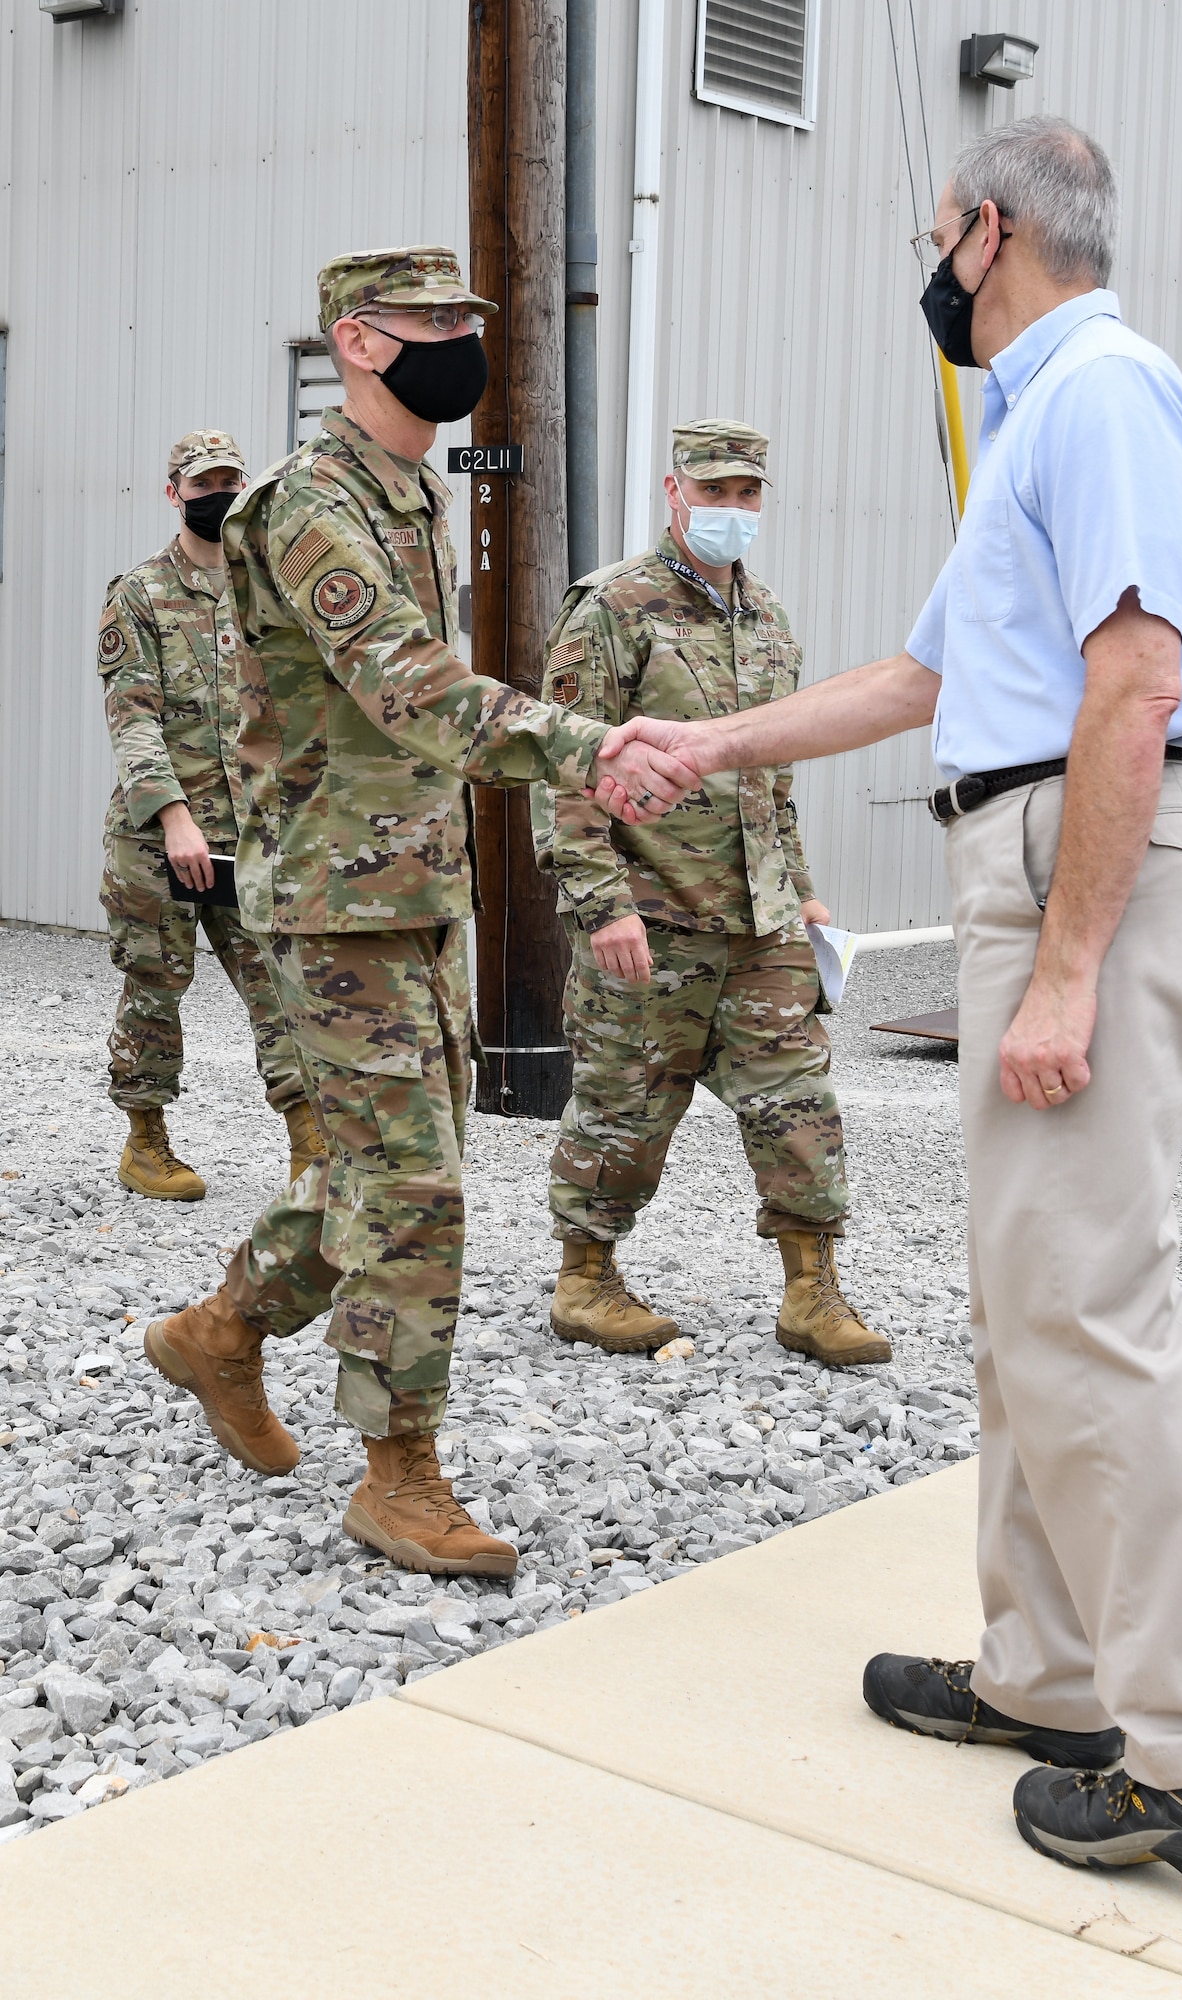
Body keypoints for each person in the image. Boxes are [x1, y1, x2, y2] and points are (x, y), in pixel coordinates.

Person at [598, 121, 1182, 1877]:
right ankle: (1053, 1678)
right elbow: (928, 674)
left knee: (1091, 1300)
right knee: (1024, 1302)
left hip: (1083, 860)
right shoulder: (1030, 424)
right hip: (1029, 842)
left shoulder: (1106, 391)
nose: (931, 268)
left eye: (937, 236)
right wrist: (713, 741)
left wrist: (1068, 968)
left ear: (989, 233)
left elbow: (1135, 683)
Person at [142, 246, 695, 1577]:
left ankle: (219, 1332)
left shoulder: (407, 495)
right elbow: (412, 691)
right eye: (430, 321)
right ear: (357, 341)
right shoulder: (310, 503)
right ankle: (399, 1475)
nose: (460, 338)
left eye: (467, 319)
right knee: (416, 1193)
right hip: (337, 907)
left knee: (369, 1177)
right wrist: (590, 745)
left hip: (414, 892)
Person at [533, 420, 887, 1368]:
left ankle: (812, 1291)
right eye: (715, 491)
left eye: (747, 493)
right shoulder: (613, 607)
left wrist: (803, 890)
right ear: (673, 490)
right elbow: (562, 766)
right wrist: (600, 903)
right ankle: (585, 1279)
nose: (732, 509)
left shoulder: (766, 617)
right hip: (652, 913)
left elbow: (772, 774)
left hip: (762, 921)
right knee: (625, 1101)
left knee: (796, 1098)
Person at [97, 430, 325, 1201]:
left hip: (251, 838)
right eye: (203, 484)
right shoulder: (138, 593)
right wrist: (172, 817)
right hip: (158, 839)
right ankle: (146, 1141)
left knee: (279, 984)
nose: (218, 495)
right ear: (175, 493)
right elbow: (132, 716)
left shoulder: (264, 590)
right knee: (155, 985)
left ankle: (311, 1149)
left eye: (231, 480)